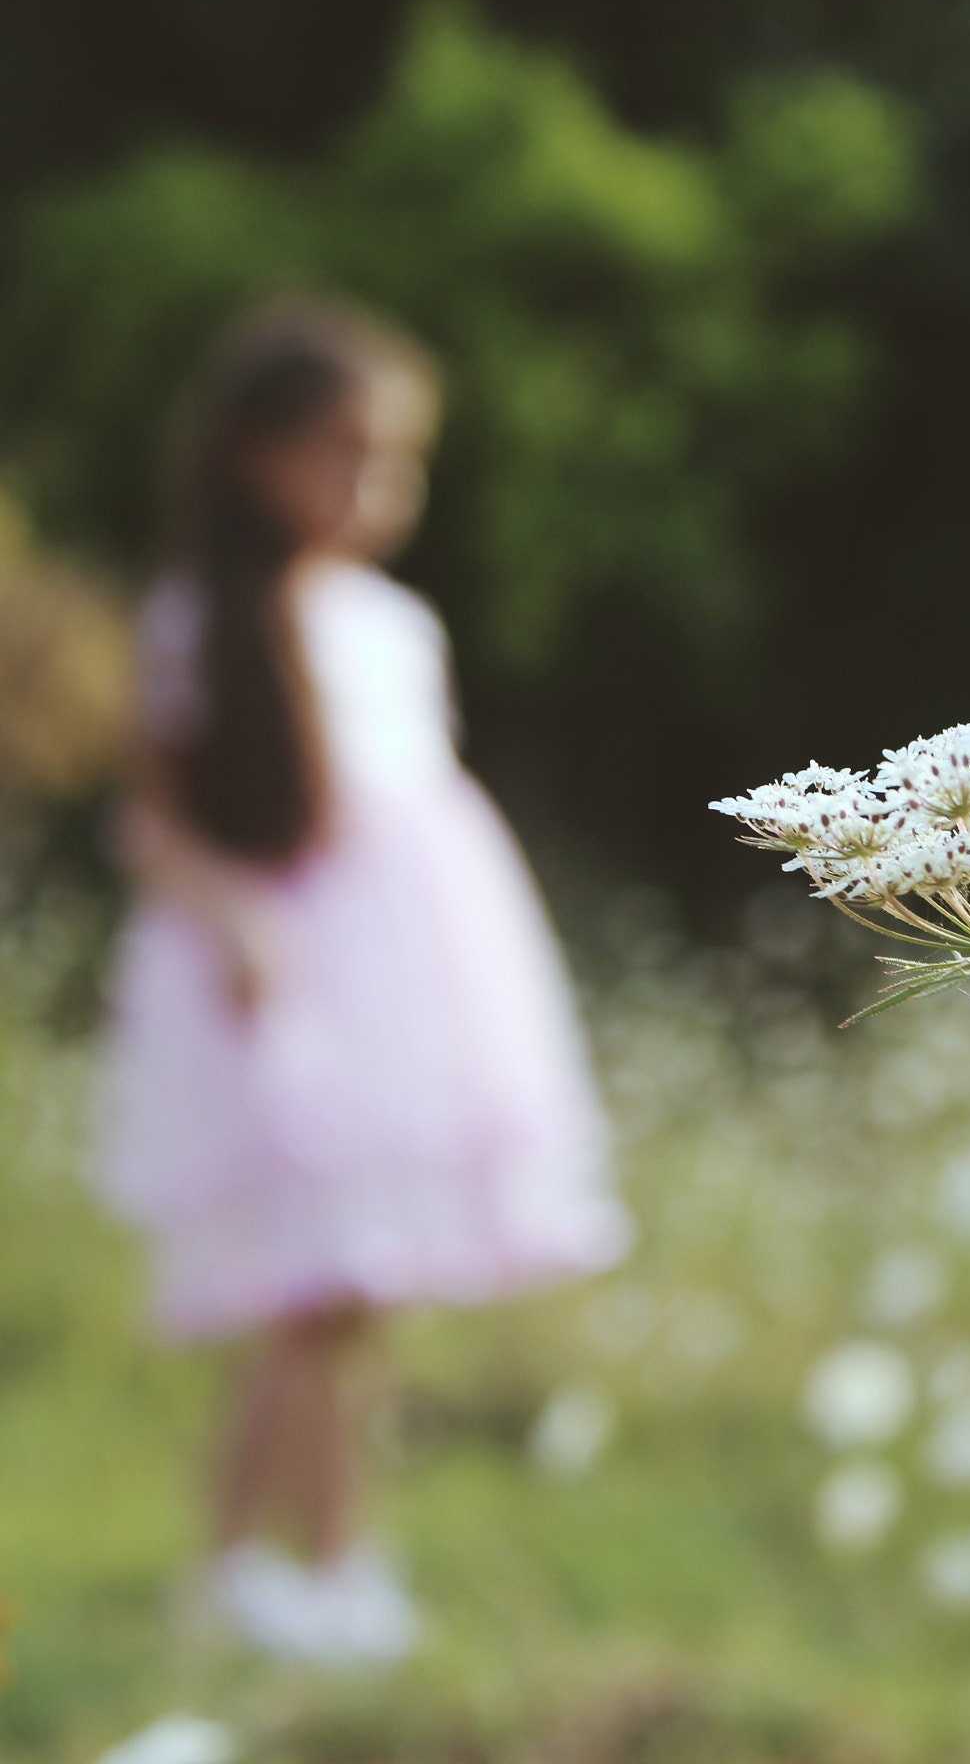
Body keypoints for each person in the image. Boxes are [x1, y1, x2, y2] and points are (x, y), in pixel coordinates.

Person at [96, 298, 631, 1666]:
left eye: (394, 458)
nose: (377, 487)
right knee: (317, 1290)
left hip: (405, 990)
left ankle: (305, 1568)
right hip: (280, 1001)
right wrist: (233, 928)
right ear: (252, 456)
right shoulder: (195, 623)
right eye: (347, 451)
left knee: (352, 1295)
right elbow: (152, 823)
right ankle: (278, 1575)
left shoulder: (392, 625)